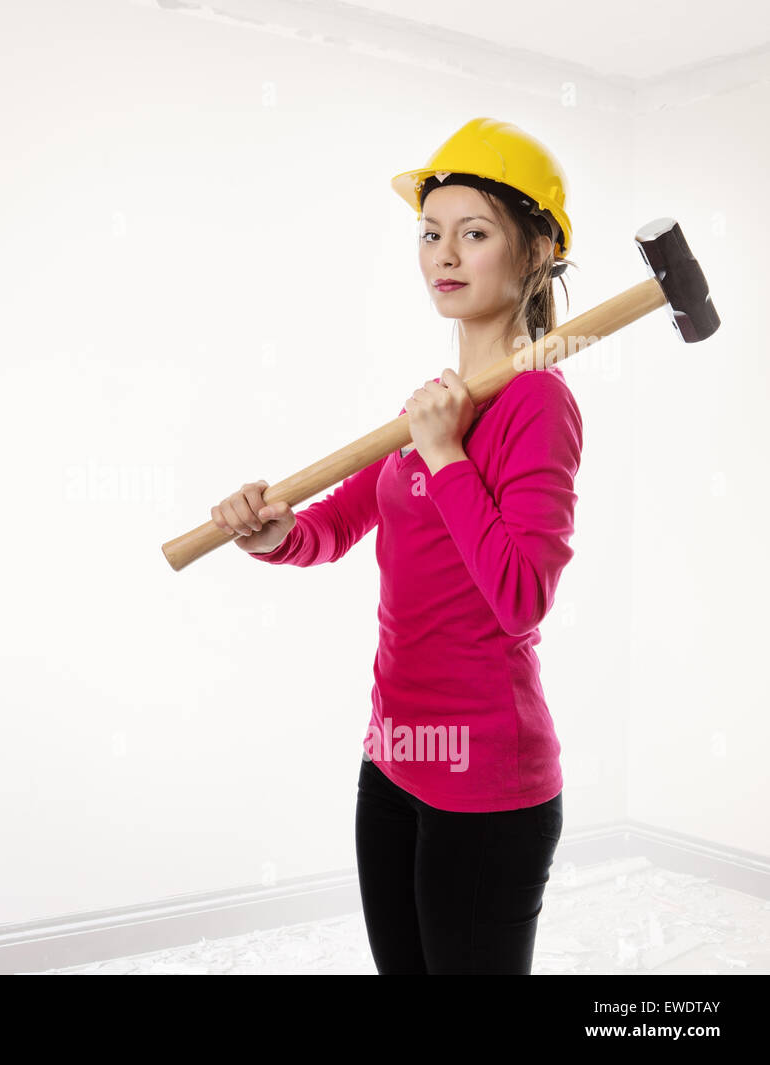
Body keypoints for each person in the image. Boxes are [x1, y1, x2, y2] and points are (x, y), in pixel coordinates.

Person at [210, 118, 583, 974]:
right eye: (429, 231)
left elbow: (521, 596)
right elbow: (336, 525)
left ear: (534, 252)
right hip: (394, 762)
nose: (443, 254)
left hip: (486, 788)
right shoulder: (434, 403)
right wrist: (276, 534)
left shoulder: (537, 403)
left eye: (474, 232)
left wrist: (447, 454)